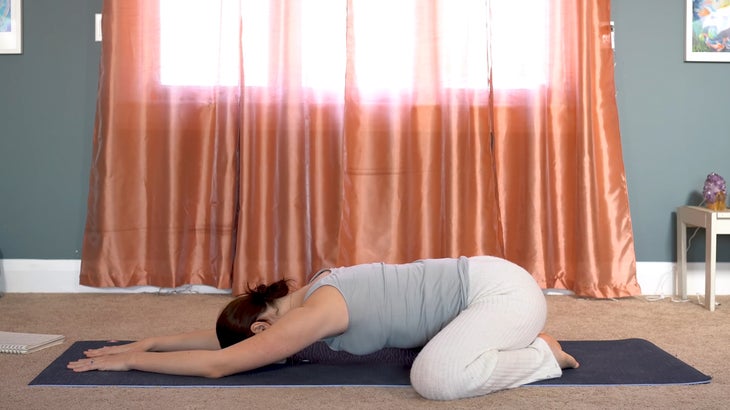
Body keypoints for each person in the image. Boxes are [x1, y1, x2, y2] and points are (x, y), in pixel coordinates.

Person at [67, 255, 578, 401]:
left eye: (263, 338)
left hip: (502, 294)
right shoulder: (306, 300)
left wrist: (133, 361)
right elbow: (226, 344)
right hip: (489, 293)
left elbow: (222, 364)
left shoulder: (317, 312)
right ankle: (521, 345)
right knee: (432, 368)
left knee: (435, 380)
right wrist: (153, 341)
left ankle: (541, 356)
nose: (268, 348)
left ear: (265, 323)